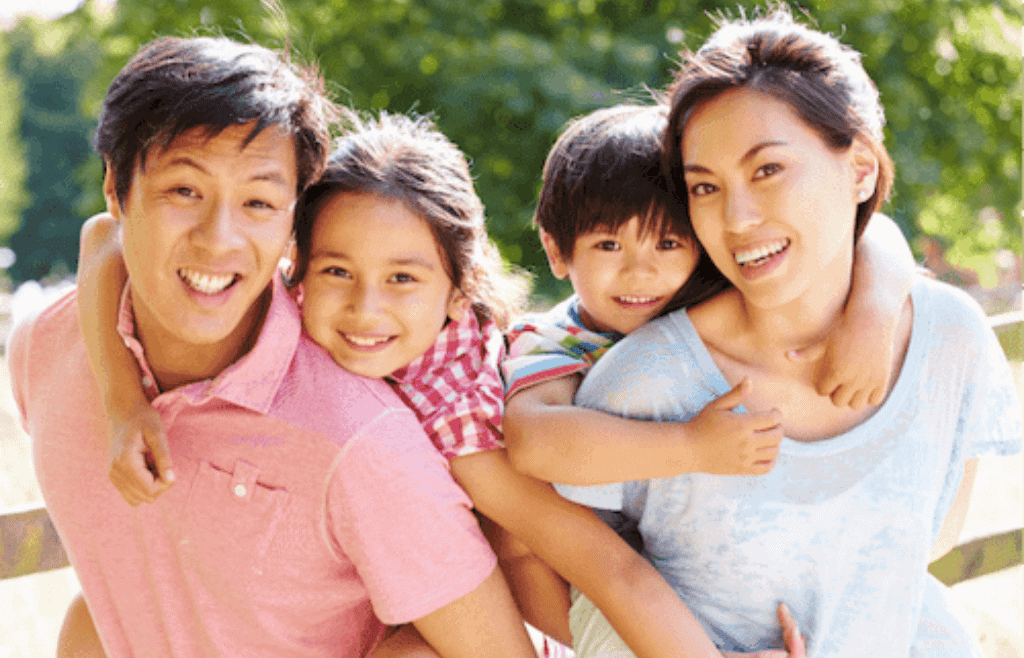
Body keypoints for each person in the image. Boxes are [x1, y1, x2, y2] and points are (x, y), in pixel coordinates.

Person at [77, 107, 810, 658]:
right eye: (338, 272)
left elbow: (604, 566)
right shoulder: (274, 289)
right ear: (296, 264)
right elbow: (101, 237)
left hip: (578, 607)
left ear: (458, 290)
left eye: (403, 279)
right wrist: (123, 403)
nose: (365, 309)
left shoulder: (462, 424)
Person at [9, 36, 535, 658]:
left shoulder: (362, 444)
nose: (218, 238)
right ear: (117, 190)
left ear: (291, 223)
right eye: (184, 191)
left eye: (258, 202)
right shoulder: (46, 349)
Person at [547, 8, 1022, 656]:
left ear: (858, 168)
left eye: (767, 169)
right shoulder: (647, 382)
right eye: (705, 187)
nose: (737, 218)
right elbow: (566, 581)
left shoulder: (948, 339)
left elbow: (924, 548)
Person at [499, 101, 916, 656]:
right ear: (555, 250)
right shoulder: (557, 342)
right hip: (587, 592)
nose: (639, 270)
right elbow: (534, 440)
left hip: (690, 577)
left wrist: (874, 312)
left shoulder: (717, 303)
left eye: (667, 244)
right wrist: (689, 446)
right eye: (607, 245)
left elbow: (874, 230)